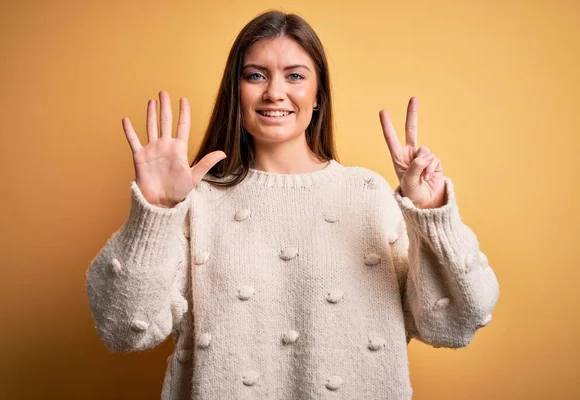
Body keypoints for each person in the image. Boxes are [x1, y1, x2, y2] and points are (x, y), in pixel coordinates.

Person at [86, 9, 499, 400]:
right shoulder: (197, 203)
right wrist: (155, 213)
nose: (275, 92)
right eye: (256, 75)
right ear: (237, 91)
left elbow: (454, 324)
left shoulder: (369, 194)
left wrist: (431, 212)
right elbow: (123, 330)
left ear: (318, 94)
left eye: (295, 75)